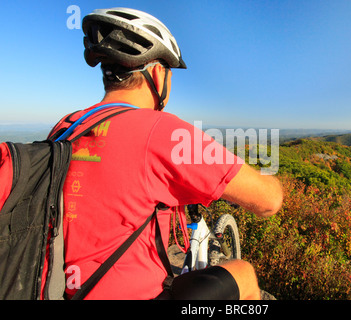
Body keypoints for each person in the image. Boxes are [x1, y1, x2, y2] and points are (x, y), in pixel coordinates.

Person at [46, 7, 283, 300]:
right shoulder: (161, 130)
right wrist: (273, 179)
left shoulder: (68, 125)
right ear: (158, 73)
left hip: (51, 289)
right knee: (244, 273)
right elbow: (269, 202)